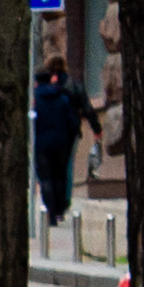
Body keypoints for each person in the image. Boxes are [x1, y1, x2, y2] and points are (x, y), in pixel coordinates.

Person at [29, 63, 95, 240]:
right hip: (61, 143)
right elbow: (72, 120)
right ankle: (59, 209)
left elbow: (31, 123)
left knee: (46, 178)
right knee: (60, 175)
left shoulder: (34, 100)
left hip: (42, 144)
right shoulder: (61, 97)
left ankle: (50, 210)